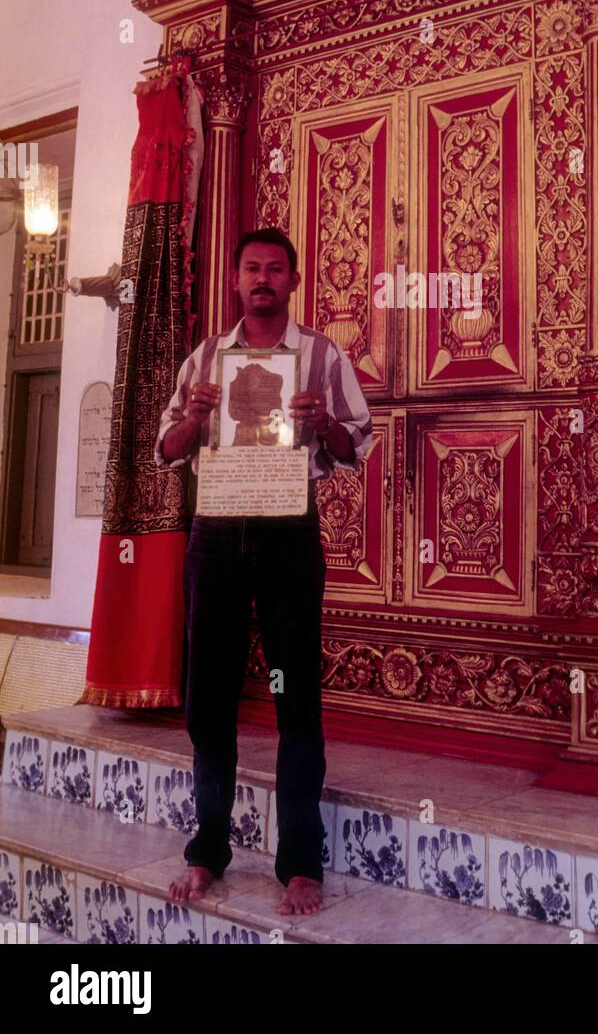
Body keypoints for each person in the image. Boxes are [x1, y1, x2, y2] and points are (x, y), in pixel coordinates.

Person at [154, 227, 372, 916]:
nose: (263, 280)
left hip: (286, 534)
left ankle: (301, 862)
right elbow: (164, 449)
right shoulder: (206, 359)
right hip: (216, 535)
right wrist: (192, 418)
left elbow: (353, 445)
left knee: (294, 693)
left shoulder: (319, 356)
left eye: (276, 270)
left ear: (294, 281)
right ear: (236, 280)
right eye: (252, 268)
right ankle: (207, 850)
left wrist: (322, 424)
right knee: (209, 699)